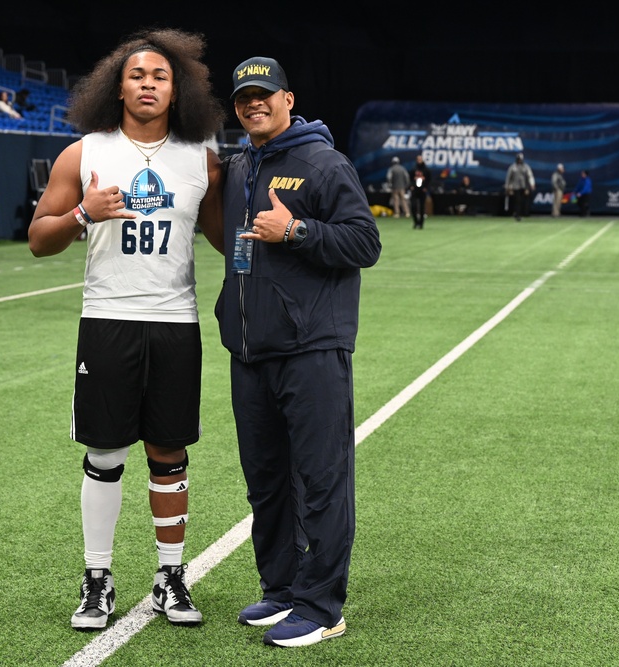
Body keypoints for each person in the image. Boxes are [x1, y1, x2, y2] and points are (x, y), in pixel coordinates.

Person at [26, 27, 225, 632]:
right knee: (105, 450)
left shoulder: (202, 159)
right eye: (137, 75)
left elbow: (223, 237)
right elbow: (39, 239)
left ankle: (170, 576)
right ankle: (98, 578)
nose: (148, 84)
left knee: (169, 452)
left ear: (178, 87)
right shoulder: (84, 152)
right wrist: (85, 213)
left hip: (174, 322)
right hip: (108, 319)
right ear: (117, 86)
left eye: (160, 76)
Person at [217, 55, 381, 648]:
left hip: (312, 346)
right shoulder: (239, 167)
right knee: (265, 480)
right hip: (250, 348)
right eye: (243, 98)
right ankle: (283, 588)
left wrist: (298, 232)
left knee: (321, 479)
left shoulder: (322, 162)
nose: (253, 104)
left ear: (289, 98)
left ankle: (321, 606)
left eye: (265, 94)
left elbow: (365, 241)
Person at [504, 152, 535, 221]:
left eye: (520, 159)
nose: (519, 161)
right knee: (517, 201)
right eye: (518, 159)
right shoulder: (512, 167)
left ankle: (520, 213)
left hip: (523, 186)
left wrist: (531, 184)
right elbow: (508, 178)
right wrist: (507, 187)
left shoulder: (526, 167)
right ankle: (517, 214)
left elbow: (530, 176)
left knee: (522, 201)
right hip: (515, 187)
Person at [409, 154, 431, 228]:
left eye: (420, 159)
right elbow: (410, 179)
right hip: (415, 190)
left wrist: (426, 187)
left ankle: (421, 223)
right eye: (418, 159)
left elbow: (429, 180)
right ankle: (416, 222)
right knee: (413, 206)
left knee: (422, 207)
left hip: (422, 190)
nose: (419, 161)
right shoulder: (413, 169)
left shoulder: (426, 170)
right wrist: (411, 186)